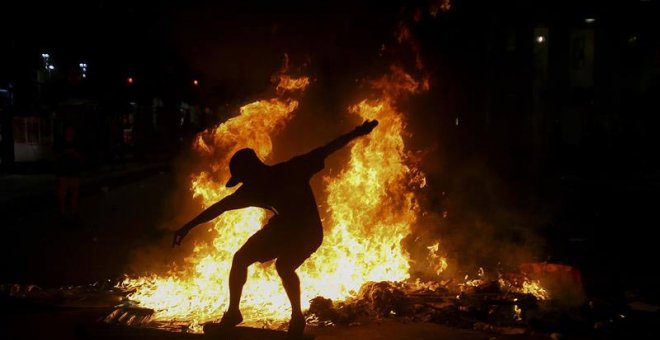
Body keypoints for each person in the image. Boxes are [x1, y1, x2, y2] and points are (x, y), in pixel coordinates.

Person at [173, 120, 379, 337]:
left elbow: (328, 148)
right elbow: (219, 208)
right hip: (283, 229)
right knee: (241, 258)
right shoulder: (253, 189)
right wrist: (188, 226)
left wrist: (357, 132)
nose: (243, 183)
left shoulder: (293, 169)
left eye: (243, 178)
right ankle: (234, 312)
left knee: (284, 266)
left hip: (308, 232)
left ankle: (297, 317)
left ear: (252, 170)